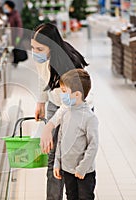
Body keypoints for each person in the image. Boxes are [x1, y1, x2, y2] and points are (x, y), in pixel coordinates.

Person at [31, 22, 89, 200]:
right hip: (55, 101)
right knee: (52, 156)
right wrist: (41, 102)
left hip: (74, 107)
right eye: (33, 47)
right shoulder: (42, 56)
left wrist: (49, 126)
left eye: (39, 49)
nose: (35, 52)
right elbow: (43, 78)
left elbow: (70, 103)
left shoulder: (67, 63)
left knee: (69, 156)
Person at [49, 68, 99, 200]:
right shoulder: (65, 113)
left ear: (77, 94)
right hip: (67, 170)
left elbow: (93, 146)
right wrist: (57, 164)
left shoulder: (89, 118)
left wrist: (82, 168)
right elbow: (60, 141)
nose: (61, 95)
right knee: (70, 196)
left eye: (64, 92)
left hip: (84, 172)